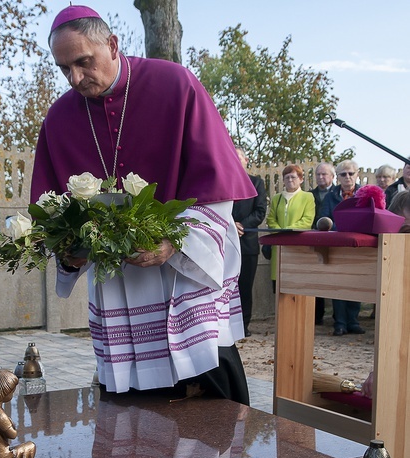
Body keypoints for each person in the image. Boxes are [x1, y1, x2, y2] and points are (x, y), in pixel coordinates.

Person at [31, 5, 257, 404]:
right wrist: (70, 252)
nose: (76, 78)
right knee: (131, 406)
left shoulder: (175, 84)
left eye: (84, 62)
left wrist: (174, 242)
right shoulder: (59, 118)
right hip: (118, 285)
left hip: (182, 272)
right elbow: (53, 211)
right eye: (64, 68)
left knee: (214, 401)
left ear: (112, 45)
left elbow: (216, 187)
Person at [317, 159, 364, 336]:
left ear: (357, 175)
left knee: (357, 283)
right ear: (338, 177)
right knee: (339, 284)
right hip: (337, 243)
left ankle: (353, 321)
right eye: (343, 174)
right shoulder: (331, 196)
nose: (347, 177)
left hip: (358, 245)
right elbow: (324, 219)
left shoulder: (364, 194)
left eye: (351, 173)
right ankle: (340, 323)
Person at [232, 146, 267, 337]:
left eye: (239, 158)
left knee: (245, 288)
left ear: (246, 161)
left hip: (248, 245)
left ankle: (243, 326)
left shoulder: (256, 183)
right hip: (227, 243)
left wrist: (241, 226)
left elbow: (260, 211)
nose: (236, 161)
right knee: (229, 288)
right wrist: (229, 225)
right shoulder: (224, 182)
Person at [266, 164, 316, 290]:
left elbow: (307, 220)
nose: (290, 180)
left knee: (296, 285)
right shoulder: (277, 198)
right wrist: (279, 232)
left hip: (297, 245)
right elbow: (271, 219)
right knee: (279, 286)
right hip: (279, 246)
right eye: (287, 177)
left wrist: (288, 231)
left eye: (293, 177)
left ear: (300, 179)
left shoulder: (307, 197)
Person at [309, 162, 335, 324]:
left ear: (332, 176)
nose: (320, 177)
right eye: (318, 174)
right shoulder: (310, 195)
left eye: (324, 174)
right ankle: (316, 316)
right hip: (314, 239)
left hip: (334, 239)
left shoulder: (336, 194)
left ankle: (337, 317)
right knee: (315, 278)